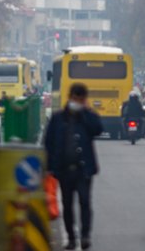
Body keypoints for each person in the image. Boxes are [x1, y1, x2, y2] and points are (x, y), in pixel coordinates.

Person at [44, 83, 104, 250]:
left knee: (85, 202)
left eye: (81, 99)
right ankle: (71, 237)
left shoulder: (87, 117)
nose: (77, 102)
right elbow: (48, 143)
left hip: (83, 169)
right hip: (63, 169)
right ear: (69, 97)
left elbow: (98, 129)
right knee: (67, 204)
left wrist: (86, 112)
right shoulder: (58, 118)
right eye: (75, 98)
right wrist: (50, 167)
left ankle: (85, 236)